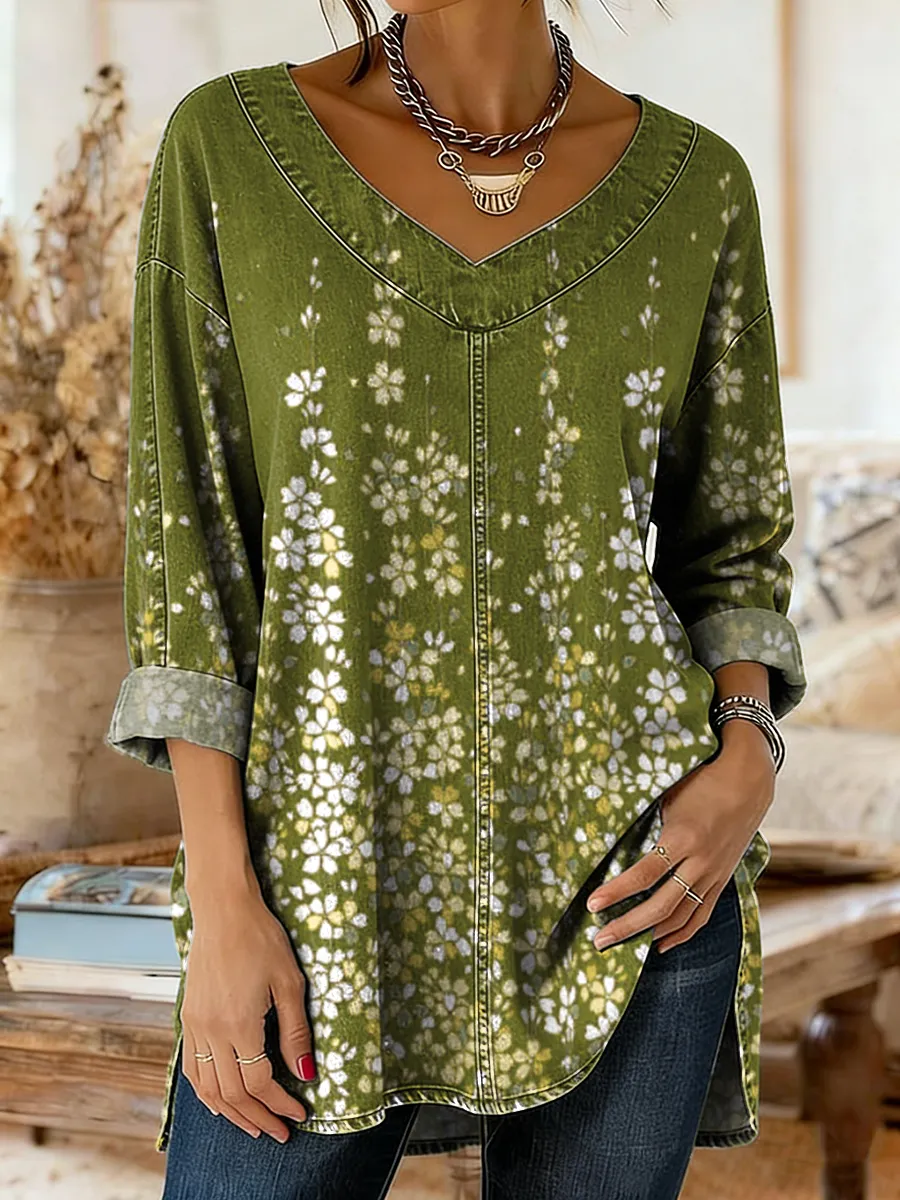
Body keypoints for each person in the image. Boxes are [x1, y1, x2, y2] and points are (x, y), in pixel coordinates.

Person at [105, 0, 808, 1196]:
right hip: (319, 891)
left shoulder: (697, 191)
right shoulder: (230, 151)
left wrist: (746, 760)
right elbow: (191, 556)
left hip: (633, 885)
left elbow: (729, 545)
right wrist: (222, 902)